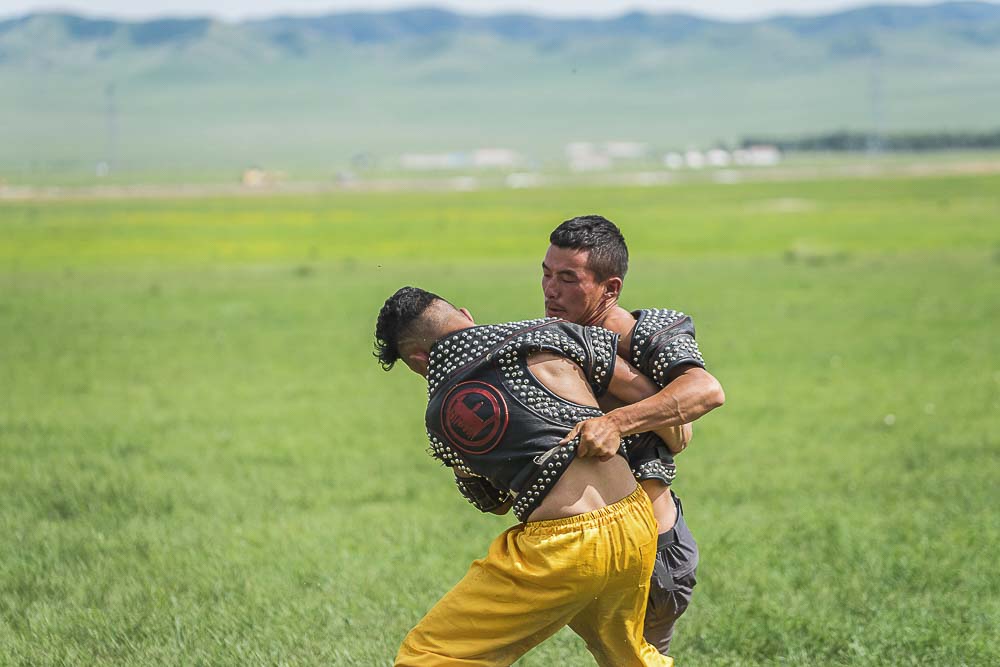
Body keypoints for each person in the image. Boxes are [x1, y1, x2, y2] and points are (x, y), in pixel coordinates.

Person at [374, 286, 683, 667]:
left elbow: (493, 503)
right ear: (466, 315)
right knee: (630, 658)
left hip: (565, 547)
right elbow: (650, 395)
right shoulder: (546, 332)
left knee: (428, 654)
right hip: (635, 521)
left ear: (419, 359)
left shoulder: (440, 415)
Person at [541, 215, 726, 655]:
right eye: (547, 274)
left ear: (611, 289)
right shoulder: (555, 338)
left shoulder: (651, 334)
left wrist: (616, 422)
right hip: (588, 549)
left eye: (569, 279)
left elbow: (705, 390)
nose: (551, 289)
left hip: (652, 553)